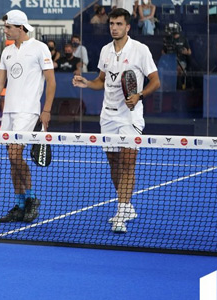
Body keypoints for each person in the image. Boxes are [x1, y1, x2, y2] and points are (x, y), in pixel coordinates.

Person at [72, 8, 160, 233]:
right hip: (108, 116)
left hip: (130, 116)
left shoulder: (140, 50)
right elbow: (102, 80)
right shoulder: (105, 51)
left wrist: (139, 95)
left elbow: (155, 82)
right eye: (112, 23)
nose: (114, 27)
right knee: (114, 162)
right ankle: (127, 204)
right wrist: (87, 83)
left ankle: (121, 211)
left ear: (128, 27)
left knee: (128, 163)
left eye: (119, 24)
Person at [0, 9, 56, 223]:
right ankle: (20, 203)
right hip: (9, 113)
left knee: (15, 155)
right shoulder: (7, 52)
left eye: (8, 27)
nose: (5, 30)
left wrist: (46, 110)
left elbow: (51, 82)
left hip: (29, 111)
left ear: (20, 27)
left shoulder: (39, 48)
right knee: (11, 159)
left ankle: (32, 199)